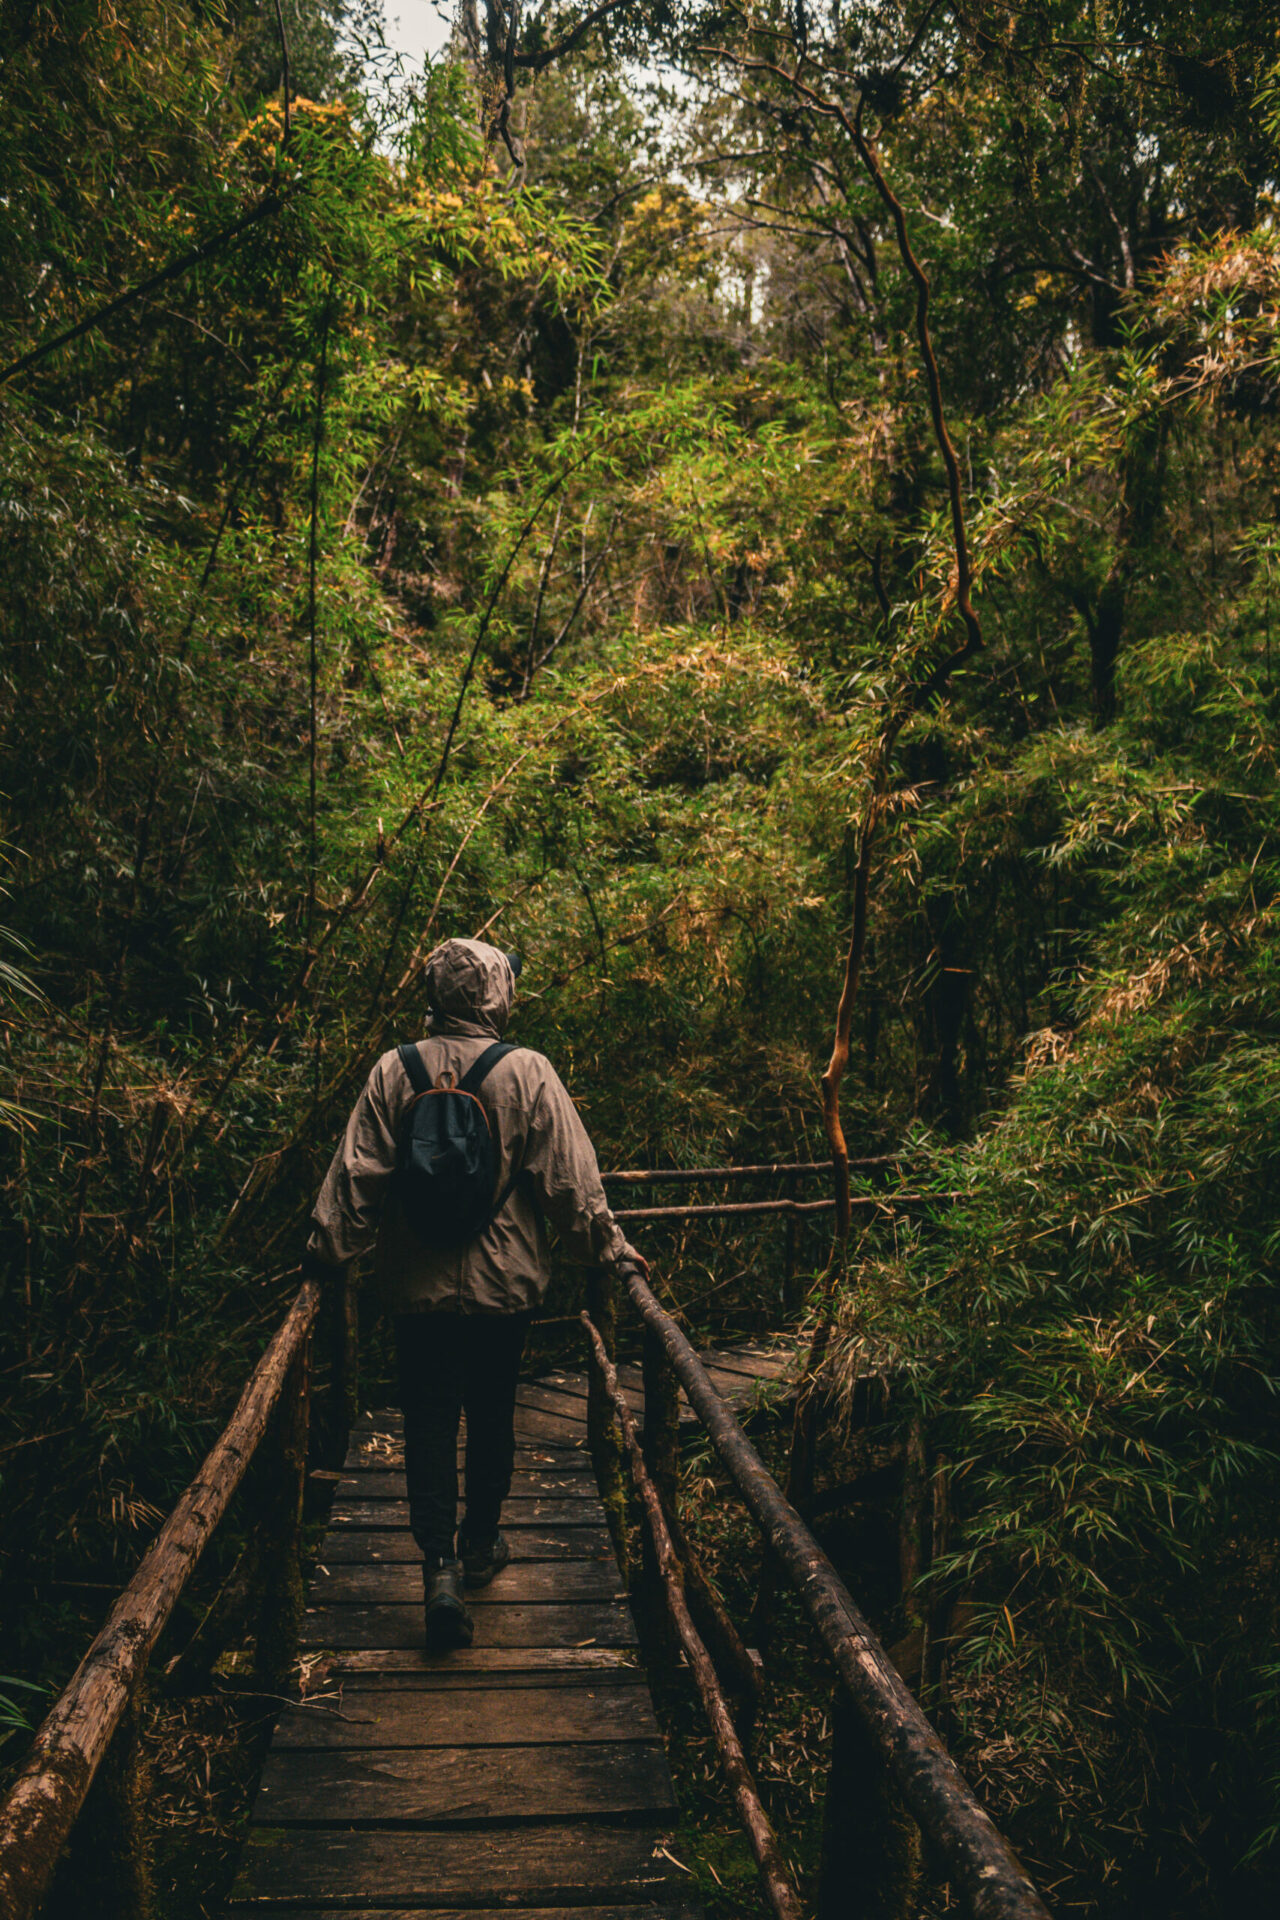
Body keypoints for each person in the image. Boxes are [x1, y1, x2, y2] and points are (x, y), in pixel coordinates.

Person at [302, 936, 642, 1650]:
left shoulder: (394, 1070)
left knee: (426, 1420)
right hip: (504, 1291)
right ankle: (482, 1541)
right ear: (496, 993)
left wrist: (326, 1252)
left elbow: (356, 1177)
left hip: (414, 1289)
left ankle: (439, 1569)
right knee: (492, 1415)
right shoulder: (527, 1072)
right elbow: (572, 1188)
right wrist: (609, 1251)